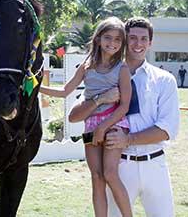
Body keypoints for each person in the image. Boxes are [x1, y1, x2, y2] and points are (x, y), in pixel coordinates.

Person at [70, 17, 180, 217]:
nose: (138, 44)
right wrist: (100, 99)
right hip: (120, 166)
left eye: (144, 39)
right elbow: (75, 115)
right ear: (124, 40)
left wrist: (128, 138)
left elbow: (167, 129)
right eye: (132, 38)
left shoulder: (164, 80)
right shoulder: (100, 75)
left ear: (150, 42)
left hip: (155, 165)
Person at [40, 17, 133, 217]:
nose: (113, 43)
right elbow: (65, 91)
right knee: (96, 177)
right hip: (90, 125)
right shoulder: (87, 65)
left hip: (114, 123)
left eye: (118, 39)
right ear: (98, 39)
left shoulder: (122, 68)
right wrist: (38, 87)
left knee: (109, 173)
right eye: (108, 38)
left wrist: (103, 127)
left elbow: (124, 106)